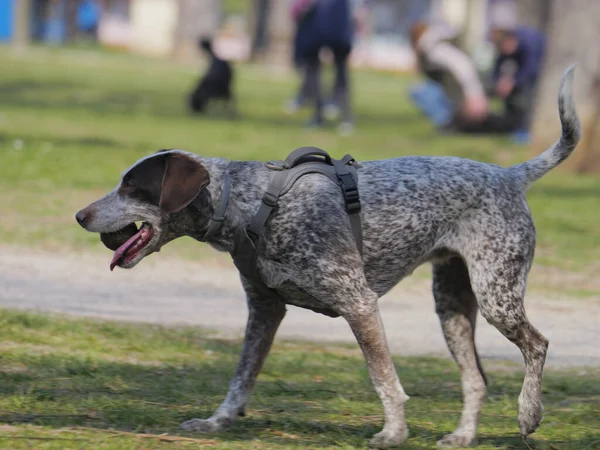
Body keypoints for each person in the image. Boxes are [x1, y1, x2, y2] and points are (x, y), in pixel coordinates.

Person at [288, 0, 358, 134]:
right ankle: (345, 118)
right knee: (338, 70)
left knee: (314, 69)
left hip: (318, 14)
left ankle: (320, 116)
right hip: (337, 14)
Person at [409, 21, 489, 130]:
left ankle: (447, 121)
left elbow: (462, 64)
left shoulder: (433, 48)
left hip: (464, 87)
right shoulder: (433, 42)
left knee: (418, 91)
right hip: (456, 86)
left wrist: (474, 95)